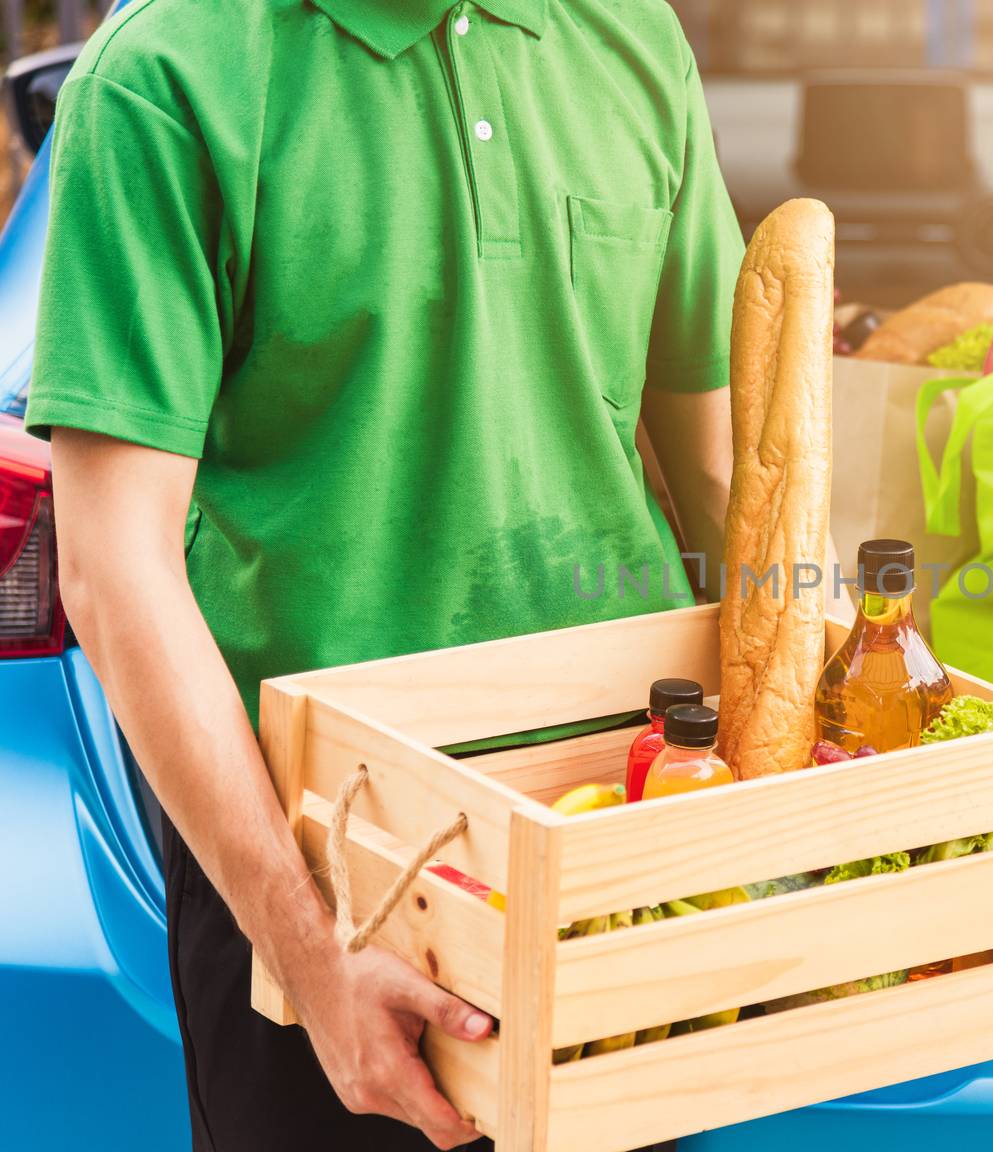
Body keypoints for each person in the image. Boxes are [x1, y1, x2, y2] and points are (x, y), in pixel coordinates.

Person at [26, 0, 743, 1147]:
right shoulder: (169, 72)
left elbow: (725, 479)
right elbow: (115, 573)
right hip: (317, 869)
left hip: (606, 835)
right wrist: (314, 956)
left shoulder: (631, 36)